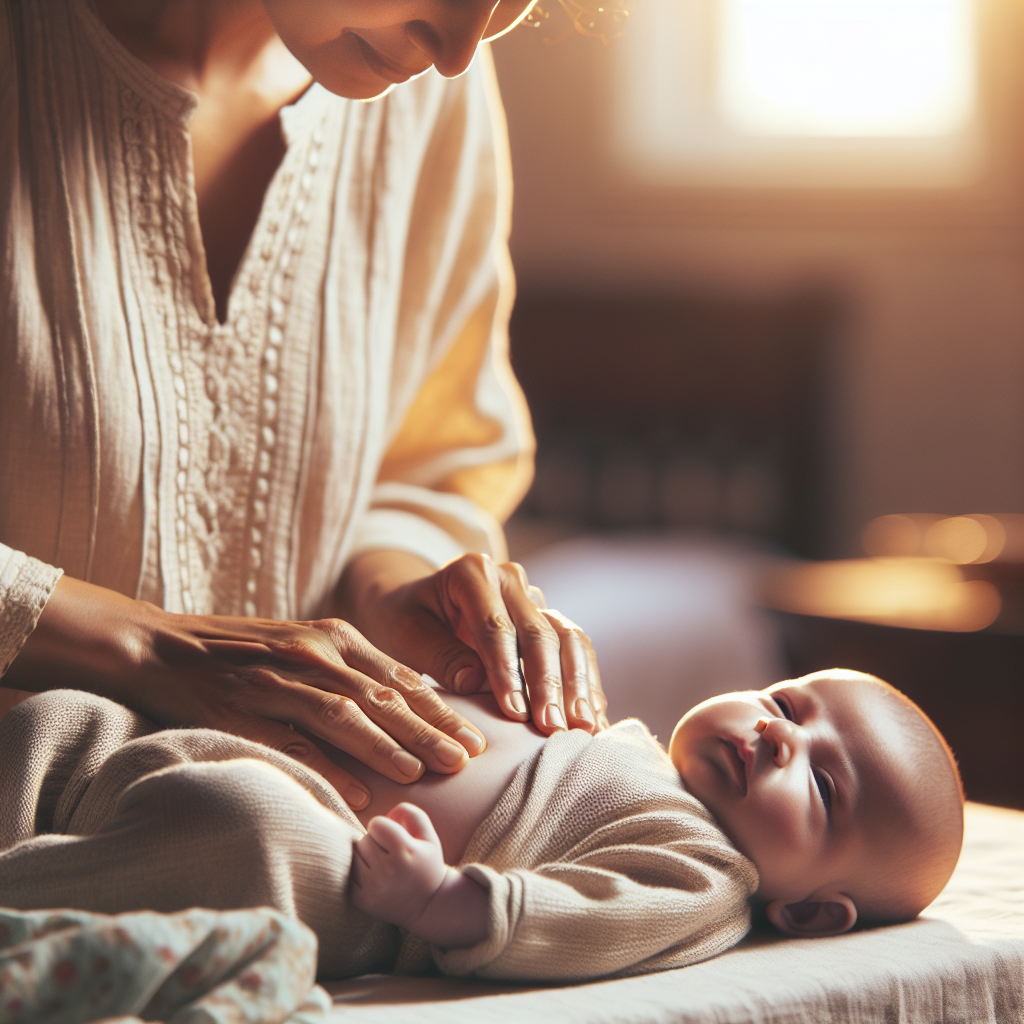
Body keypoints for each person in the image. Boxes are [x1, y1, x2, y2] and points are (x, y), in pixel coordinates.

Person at [0, 0, 608, 810]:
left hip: (261, 904)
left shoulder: (430, 96)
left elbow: (426, 461)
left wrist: (393, 584)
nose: (461, 46)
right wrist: (141, 646)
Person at [0, 670, 964, 981]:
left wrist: (446, 899)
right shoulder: (627, 738)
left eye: (825, 787)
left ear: (811, 917)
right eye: (787, 703)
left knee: (243, 828)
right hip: (279, 758)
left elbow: (591, 916)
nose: (774, 736)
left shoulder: (711, 876)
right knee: (65, 718)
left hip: (348, 874)